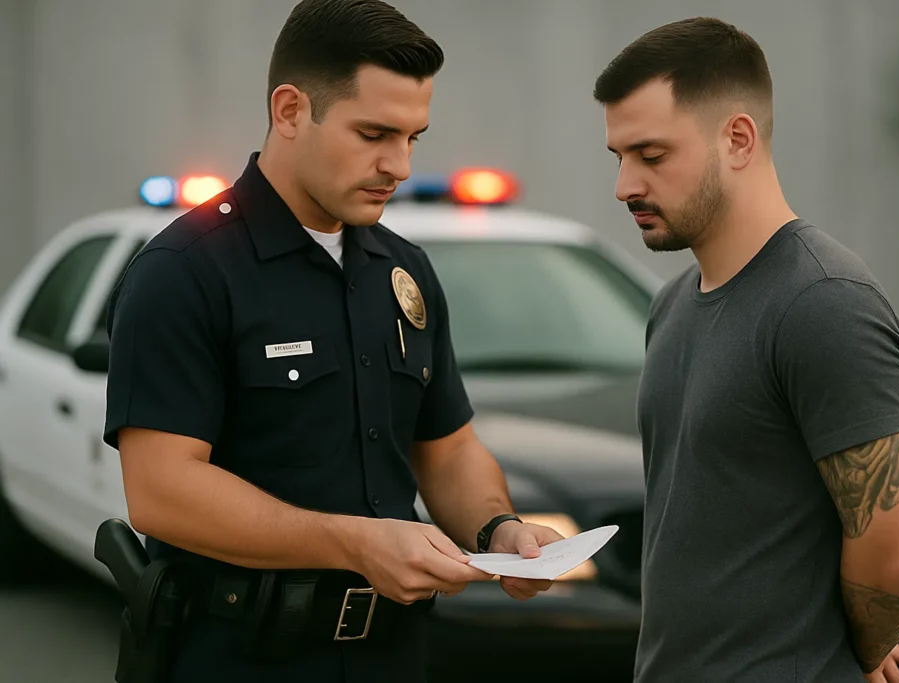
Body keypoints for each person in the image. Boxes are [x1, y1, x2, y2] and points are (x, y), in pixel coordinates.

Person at [102, 1, 561, 681]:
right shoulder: (185, 271)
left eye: (413, 137)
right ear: (290, 110)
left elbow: (448, 448)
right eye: (374, 133)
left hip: (393, 656)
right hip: (241, 657)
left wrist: (499, 529)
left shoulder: (404, 271)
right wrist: (353, 543)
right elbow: (161, 490)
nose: (399, 164)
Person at [593, 17, 899, 683]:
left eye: (652, 155)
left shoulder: (824, 301)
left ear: (738, 139)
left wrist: (850, 651)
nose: (625, 185)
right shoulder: (671, 305)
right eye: (619, 157)